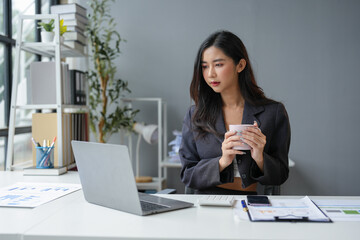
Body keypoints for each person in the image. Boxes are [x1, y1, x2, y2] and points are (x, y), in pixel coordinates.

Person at [179, 30, 291, 195]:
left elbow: (280, 175)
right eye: (205, 66)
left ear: (240, 65)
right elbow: (187, 175)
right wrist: (222, 162)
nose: (210, 74)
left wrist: (260, 157)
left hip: (251, 204)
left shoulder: (273, 113)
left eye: (218, 64)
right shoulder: (195, 115)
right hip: (207, 204)